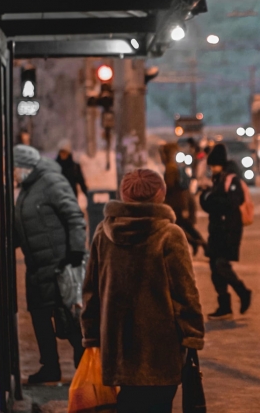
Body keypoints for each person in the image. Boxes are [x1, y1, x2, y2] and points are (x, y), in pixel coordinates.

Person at [81, 169, 204, 413]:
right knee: (158, 404)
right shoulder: (170, 235)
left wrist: (92, 335)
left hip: (117, 347)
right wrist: (192, 335)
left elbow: (90, 291)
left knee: (128, 403)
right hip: (160, 348)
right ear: (160, 195)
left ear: (123, 194)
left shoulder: (103, 233)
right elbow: (185, 293)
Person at [13, 144, 86, 383]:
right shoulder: (27, 187)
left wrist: (75, 252)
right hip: (37, 266)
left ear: (24, 166)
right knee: (40, 316)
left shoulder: (52, 182)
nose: (12, 173)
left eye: (13, 168)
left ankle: (84, 368)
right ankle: (50, 367)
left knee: (70, 318)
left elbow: (74, 216)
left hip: (60, 265)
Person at [199, 144, 252, 320]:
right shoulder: (218, 180)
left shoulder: (232, 180)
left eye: (213, 165)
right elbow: (208, 205)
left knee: (221, 264)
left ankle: (243, 292)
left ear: (220, 164)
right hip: (216, 229)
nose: (211, 169)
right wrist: (207, 197)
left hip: (229, 229)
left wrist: (211, 197)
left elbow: (231, 203)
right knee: (214, 268)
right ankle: (224, 306)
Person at [161, 143, 206, 256]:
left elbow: (170, 186)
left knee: (178, 227)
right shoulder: (173, 166)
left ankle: (197, 243)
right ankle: (201, 244)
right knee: (185, 227)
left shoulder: (170, 168)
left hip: (176, 203)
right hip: (179, 202)